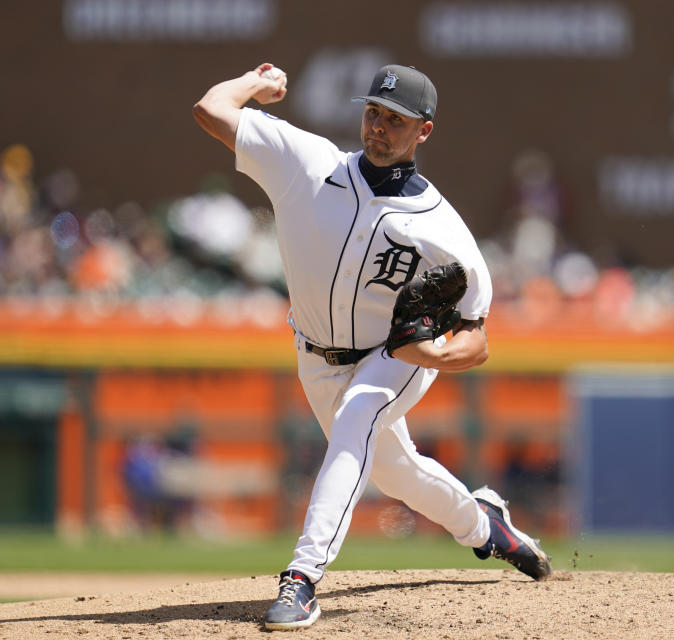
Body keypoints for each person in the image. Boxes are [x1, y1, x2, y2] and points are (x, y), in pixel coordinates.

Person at [193, 62, 552, 631]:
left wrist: (434, 355)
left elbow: (477, 339)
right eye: (373, 113)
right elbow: (213, 110)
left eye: (395, 119)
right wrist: (253, 86)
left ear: (424, 131)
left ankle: (302, 578)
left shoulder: (444, 230)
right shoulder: (307, 164)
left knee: (359, 416)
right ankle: (486, 525)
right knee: (395, 474)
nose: (379, 127)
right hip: (314, 353)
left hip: (395, 355)